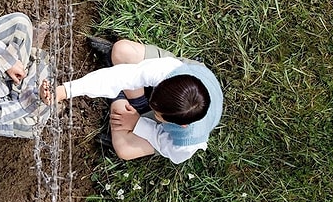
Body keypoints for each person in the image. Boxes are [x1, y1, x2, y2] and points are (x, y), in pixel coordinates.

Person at [53, 38, 223, 164]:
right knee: (122, 50)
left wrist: (138, 123)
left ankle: (119, 98)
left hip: (172, 127)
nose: (154, 112)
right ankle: (136, 101)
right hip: (184, 77)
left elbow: (163, 143)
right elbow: (125, 76)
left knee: (124, 149)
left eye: (157, 114)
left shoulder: (187, 142)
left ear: (182, 125)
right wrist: (65, 91)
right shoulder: (170, 71)